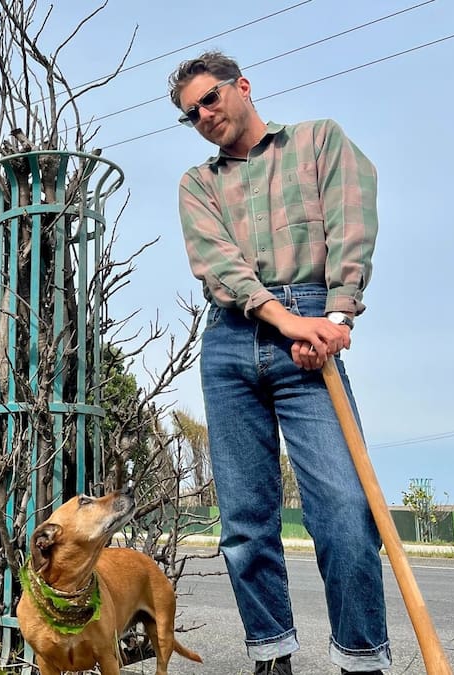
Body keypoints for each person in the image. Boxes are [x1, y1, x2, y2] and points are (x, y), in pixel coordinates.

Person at [168, 51, 390, 675]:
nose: (203, 115)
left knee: (346, 510)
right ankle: (272, 654)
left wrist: (337, 320)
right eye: (190, 114)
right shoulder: (198, 184)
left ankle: (361, 658)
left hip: (315, 332)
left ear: (242, 86)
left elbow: (352, 223)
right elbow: (219, 264)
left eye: (210, 98)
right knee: (245, 519)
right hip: (233, 341)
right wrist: (287, 321)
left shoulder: (318, 142)